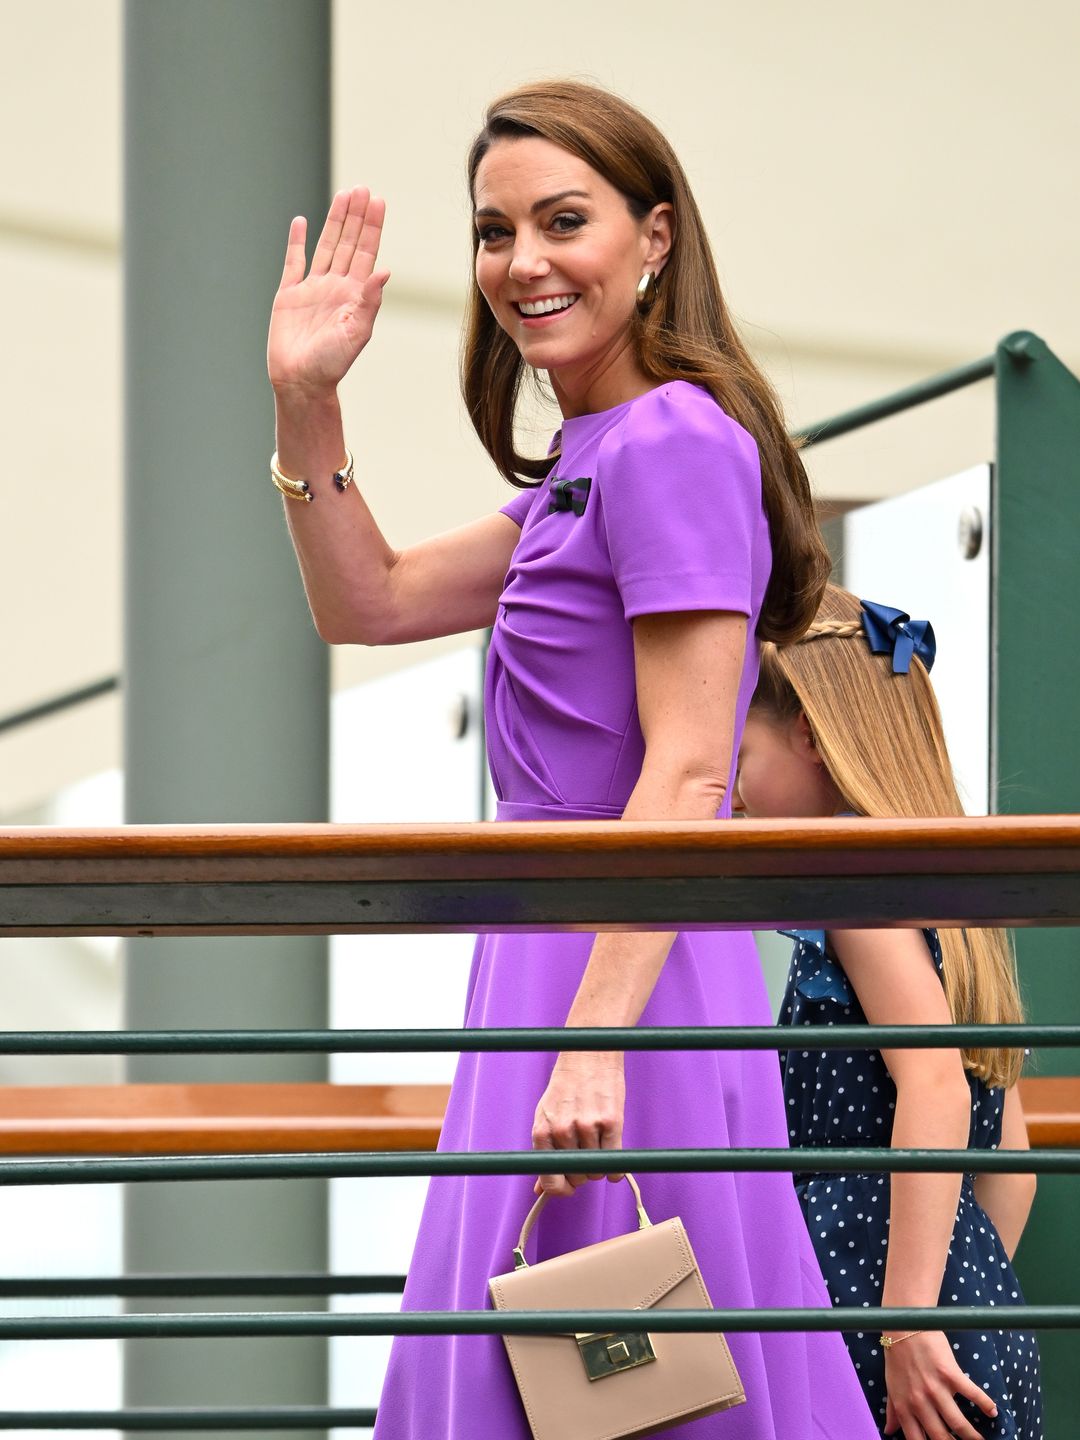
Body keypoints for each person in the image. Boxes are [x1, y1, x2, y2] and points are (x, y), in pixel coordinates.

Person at [267, 80, 878, 1438]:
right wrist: (307, 402)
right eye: (495, 232)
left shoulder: (668, 439)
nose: (523, 263)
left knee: (605, 1370)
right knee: (574, 1358)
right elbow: (366, 603)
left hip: (619, 977)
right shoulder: (589, 462)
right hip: (568, 960)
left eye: (564, 221)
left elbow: (685, 774)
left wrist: (593, 1045)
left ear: (655, 238)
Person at [732, 583, 1043, 1439]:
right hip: (971, 1301)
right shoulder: (952, 909)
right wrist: (958, 1293)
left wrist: (904, 1319)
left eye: (740, 750)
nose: (733, 788)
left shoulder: (854, 892)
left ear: (809, 736)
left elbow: (935, 1087)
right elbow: (1009, 1159)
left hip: (872, 1302)